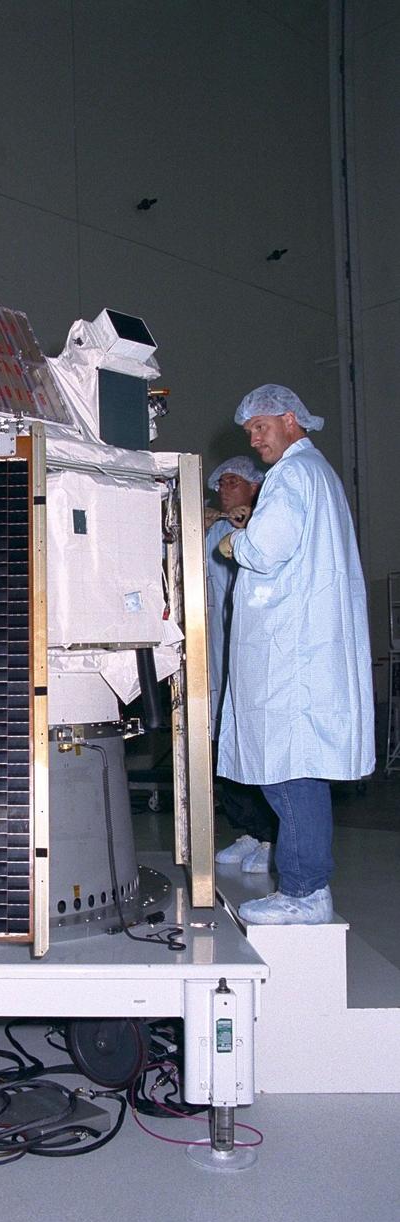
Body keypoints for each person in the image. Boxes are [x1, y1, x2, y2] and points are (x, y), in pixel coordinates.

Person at [217, 385, 374, 924]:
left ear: (290, 419)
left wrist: (231, 542)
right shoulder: (317, 475)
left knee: (289, 771)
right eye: (249, 431)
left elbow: (265, 549)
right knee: (295, 768)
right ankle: (307, 886)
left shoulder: (292, 475)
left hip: (292, 655)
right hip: (301, 650)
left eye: (260, 426)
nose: (254, 438)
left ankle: (305, 891)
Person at [204, 457, 279, 873]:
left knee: (255, 745)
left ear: (254, 487)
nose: (224, 488)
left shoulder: (266, 524)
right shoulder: (215, 529)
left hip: (259, 653)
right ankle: (249, 830)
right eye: (220, 483)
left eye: (233, 481)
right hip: (217, 656)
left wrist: (247, 522)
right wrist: (208, 516)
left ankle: (273, 836)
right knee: (222, 746)